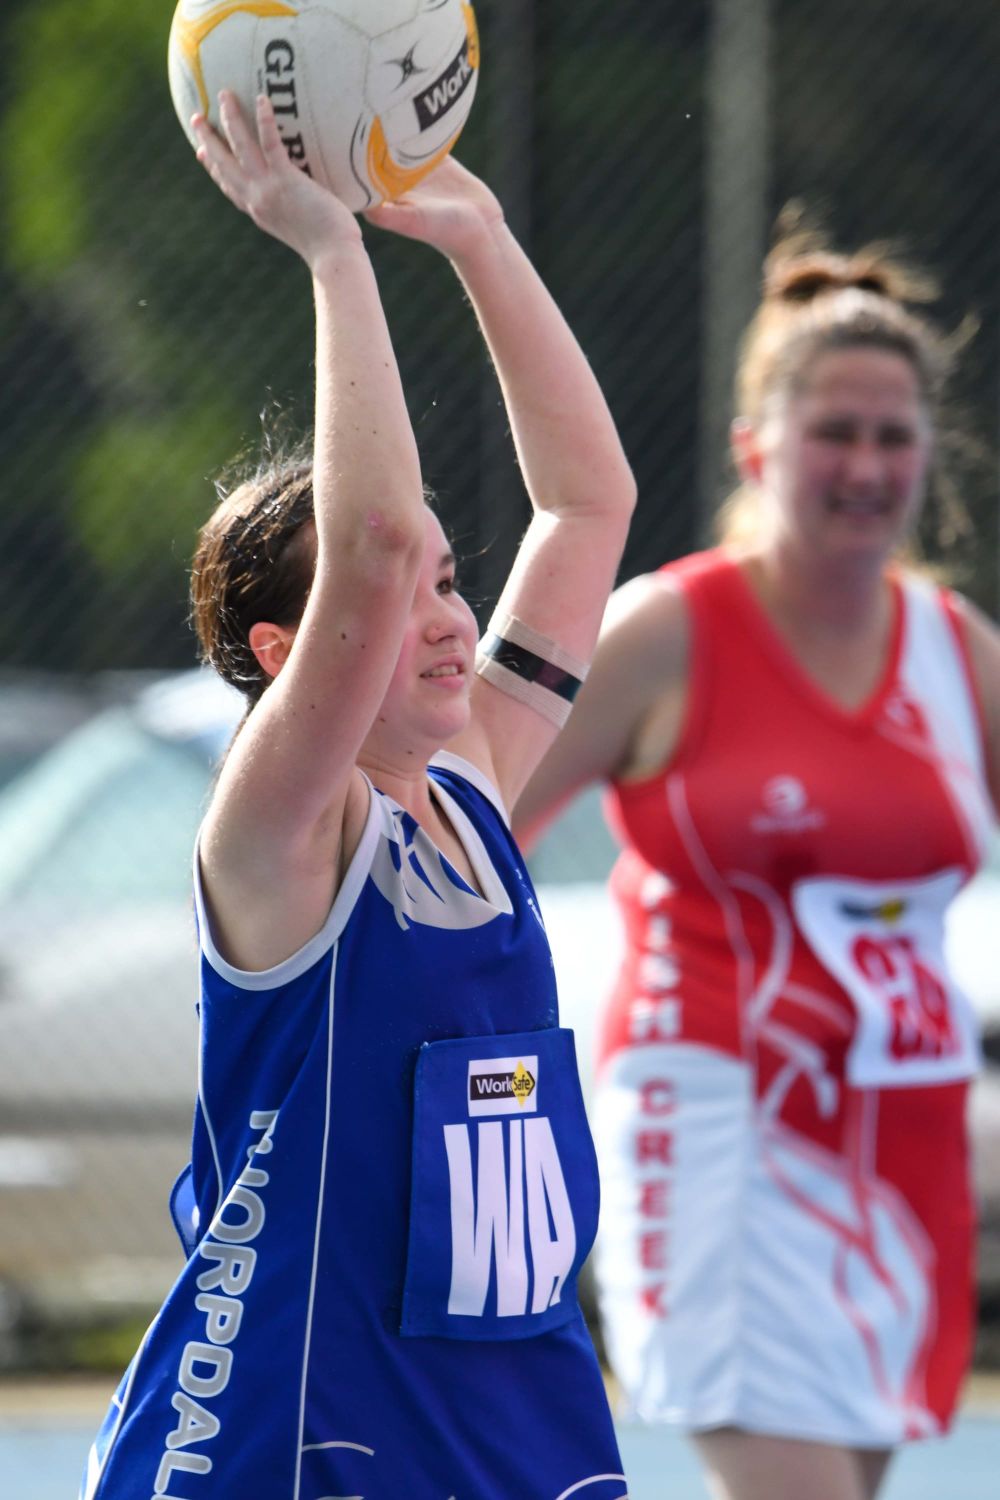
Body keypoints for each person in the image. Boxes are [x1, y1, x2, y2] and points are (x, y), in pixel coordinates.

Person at [80, 92, 637, 1500]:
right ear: (285, 654)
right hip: (304, 1428)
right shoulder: (284, 838)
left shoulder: (469, 794)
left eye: (458, 581)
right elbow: (377, 545)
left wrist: (478, 236)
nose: (449, 612)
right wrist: (333, 255)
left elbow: (588, 507)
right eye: (413, 597)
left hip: (517, 1421)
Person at [514, 224, 1000, 1500]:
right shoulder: (669, 632)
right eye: (833, 431)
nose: (866, 464)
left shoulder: (955, 650)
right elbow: (471, 825)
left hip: (899, 1142)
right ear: (754, 447)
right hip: (717, 1123)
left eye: (892, 437)